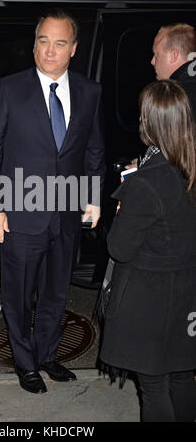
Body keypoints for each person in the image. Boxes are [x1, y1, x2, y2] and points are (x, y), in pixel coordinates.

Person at [0, 9, 106, 394]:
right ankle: (24, 362)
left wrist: (94, 198)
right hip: (19, 211)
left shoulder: (89, 92)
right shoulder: (9, 88)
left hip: (66, 213)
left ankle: (48, 354)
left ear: (74, 49)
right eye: (43, 41)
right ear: (34, 45)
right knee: (17, 293)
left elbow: (94, 151)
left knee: (56, 290)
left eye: (60, 43)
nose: (50, 50)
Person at [99, 80, 196, 422]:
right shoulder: (189, 170)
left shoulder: (145, 183)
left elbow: (120, 248)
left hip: (151, 301)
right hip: (188, 295)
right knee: (183, 376)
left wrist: (120, 212)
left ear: (149, 123)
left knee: (154, 387)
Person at [126, 22, 196, 171]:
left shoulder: (178, 97)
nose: (152, 61)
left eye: (156, 54)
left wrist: (145, 168)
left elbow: (177, 157)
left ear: (174, 56)